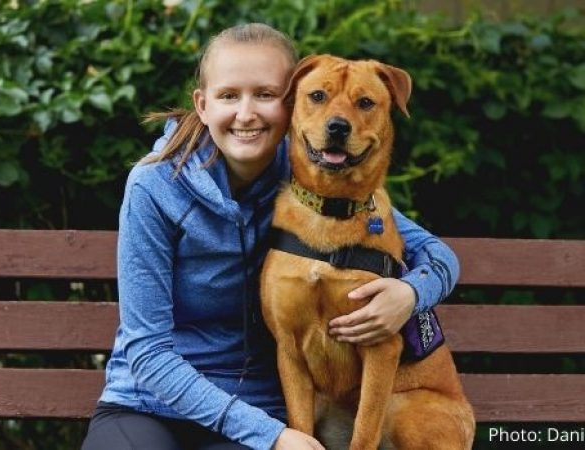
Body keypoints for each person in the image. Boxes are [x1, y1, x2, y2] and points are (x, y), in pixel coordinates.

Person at [81, 23, 459, 450]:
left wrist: (411, 294)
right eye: (229, 96)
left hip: (259, 403)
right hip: (150, 404)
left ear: (288, 104)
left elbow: (437, 254)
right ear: (202, 106)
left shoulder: (310, 175)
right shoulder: (154, 185)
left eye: (264, 95)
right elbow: (147, 354)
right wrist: (273, 436)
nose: (246, 114)